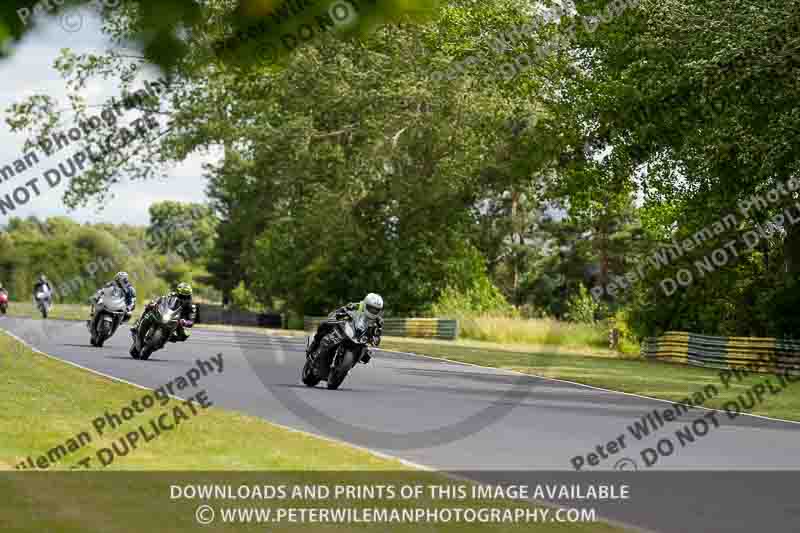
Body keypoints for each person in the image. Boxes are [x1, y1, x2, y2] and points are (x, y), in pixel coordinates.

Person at [307, 293, 384, 365]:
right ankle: (313, 346)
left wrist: (375, 337)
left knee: (367, 355)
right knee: (324, 325)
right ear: (365, 304)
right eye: (371, 308)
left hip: (360, 337)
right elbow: (341, 310)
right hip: (349, 327)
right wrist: (340, 313)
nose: (373, 311)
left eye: (376, 310)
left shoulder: (378, 321)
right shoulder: (357, 305)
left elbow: (378, 335)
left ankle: (346, 365)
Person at [131, 281, 196, 343]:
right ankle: (138, 324)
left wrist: (184, 322)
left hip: (177, 322)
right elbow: (162, 299)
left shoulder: (191, 307)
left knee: (184, 336)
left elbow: (191, 322)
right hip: (165, 314)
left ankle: (166, 338)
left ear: (190, 295)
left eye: (187, 296)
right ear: (178, 293)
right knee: (151, 305)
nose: (184, 298)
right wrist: (156, 303)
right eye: (182, 296)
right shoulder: (172, 295)